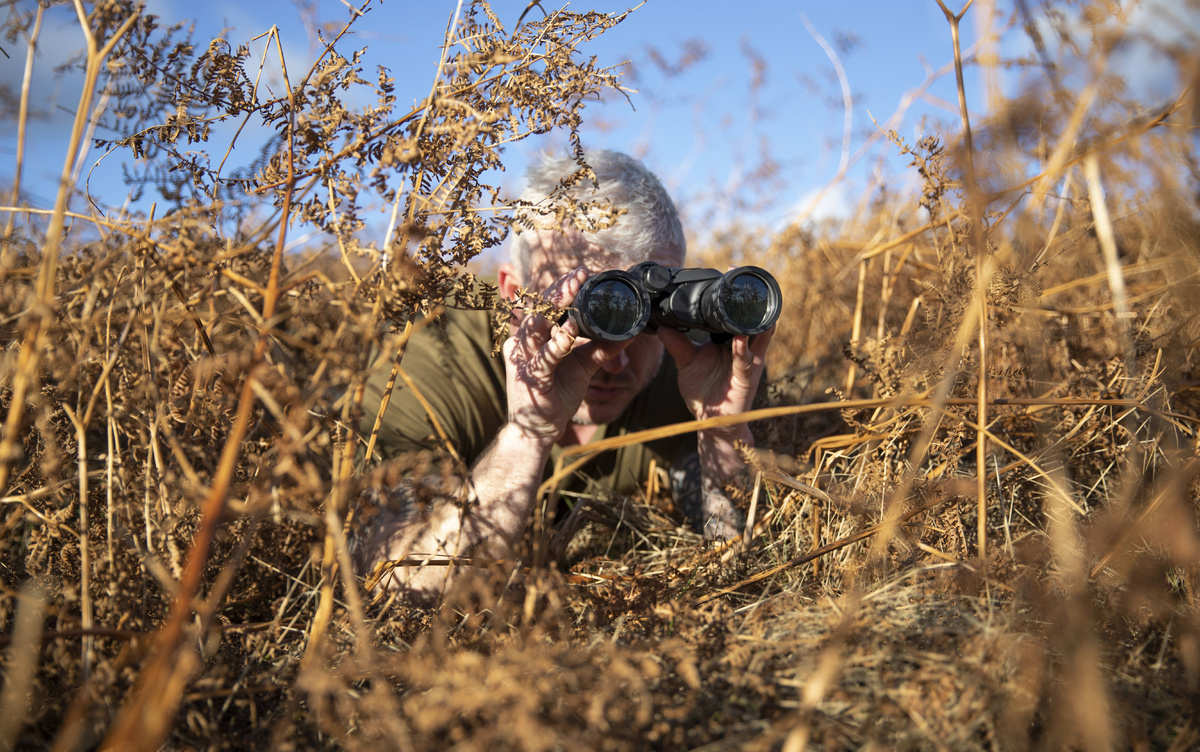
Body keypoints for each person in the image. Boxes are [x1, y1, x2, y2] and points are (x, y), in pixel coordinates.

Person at [352, 150, 774, 602]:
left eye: (645, 320)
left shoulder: (702, 366)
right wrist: (526, 435)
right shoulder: (431, 364)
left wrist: (724, 434)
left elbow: (743, 560)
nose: (614, 362)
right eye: (587, 316)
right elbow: (398, 583)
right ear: (515, 294)